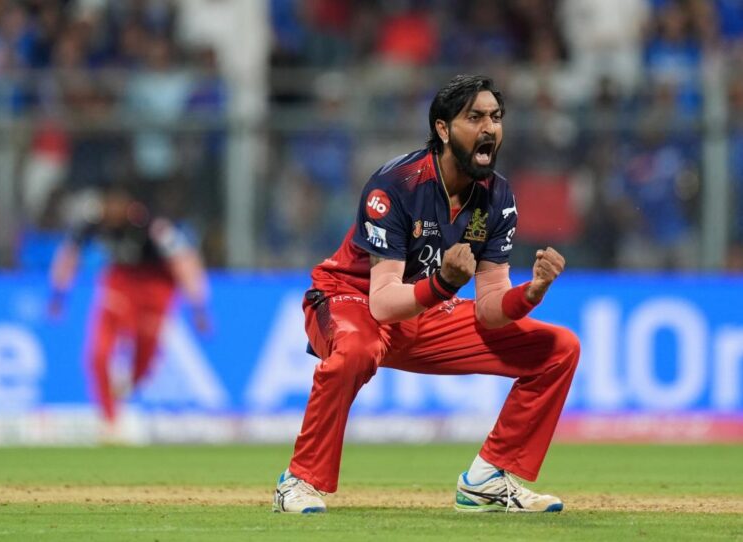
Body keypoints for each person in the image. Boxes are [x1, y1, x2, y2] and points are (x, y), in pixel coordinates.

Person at [273, 75, 580, 514]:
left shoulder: (498, 196)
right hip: (351, 298)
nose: (489, 128)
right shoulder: (396, 184)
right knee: (356, 349)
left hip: (427, 309)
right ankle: (299, 481)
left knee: (558, 349)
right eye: (475, 117)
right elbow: (382, 303)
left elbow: (491, 310)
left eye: (496, 117)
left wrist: (531, 293)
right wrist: (444, 285)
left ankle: (488, 480)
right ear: (443, 128)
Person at [48, 185, 210, 441]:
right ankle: (109, 420)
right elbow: (69, 255)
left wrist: (198, 305)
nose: (111, 211)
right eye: (108, 204)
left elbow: (183, 260)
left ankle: (128, 382)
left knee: (146, 356)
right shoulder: (93, 223)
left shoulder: (151, 225)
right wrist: (59, 294)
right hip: (120, 282)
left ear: (127, 205)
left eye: (117, 204)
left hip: (156, 286)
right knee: (98, 352)